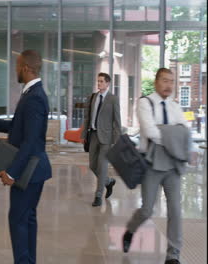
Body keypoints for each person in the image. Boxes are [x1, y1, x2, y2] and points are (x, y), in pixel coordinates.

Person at [0, 50, 52, 264]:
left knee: (18, 219)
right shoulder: (31, 94)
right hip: (32, 170)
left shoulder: (35, 97)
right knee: (26, 219)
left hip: (29, 171)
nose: (15, 70)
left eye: (17, 66)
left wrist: (11, 172)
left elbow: (30, 140)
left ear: (26, 68)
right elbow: (17, 126)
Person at [123, 68, 190, 264]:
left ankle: (173, 255)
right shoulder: (145, 103)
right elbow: (150, 131)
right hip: (151, 164)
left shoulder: (175, 106)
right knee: (147, 210)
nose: (169, 85)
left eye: (171, 81)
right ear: (156, 82)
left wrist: (170, 134)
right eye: (164, 80)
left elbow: (184, 131)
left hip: (172, 164)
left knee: (176, 211)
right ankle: (130, 230)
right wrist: (173, 134)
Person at [81, 72, 121, 207]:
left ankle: (98, 195)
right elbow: (87, 117)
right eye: (98, 81)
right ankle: (109, 182)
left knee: (102, 166)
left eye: (102, 81)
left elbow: (117, 121)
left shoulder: (113, 99)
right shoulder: (92, 97)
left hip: (107, 138)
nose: (99, 84)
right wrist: (83, 135)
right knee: (93, 165)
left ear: (108, 83)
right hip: (93, 135)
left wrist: (116, 140)